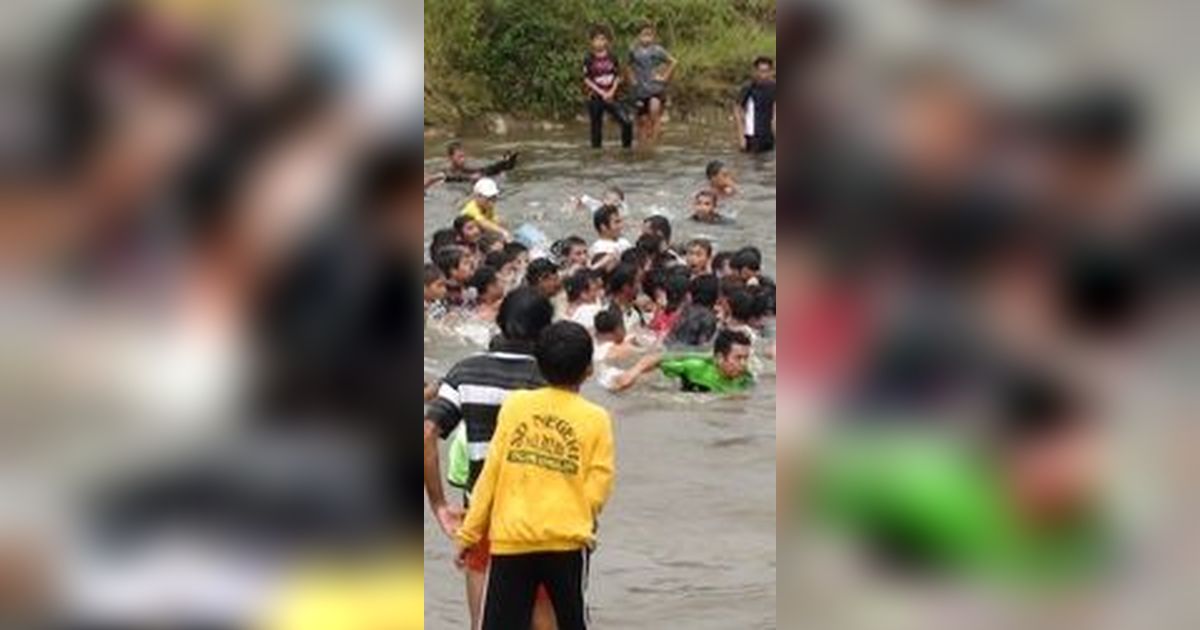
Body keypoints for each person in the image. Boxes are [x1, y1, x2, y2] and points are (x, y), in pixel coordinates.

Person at [456, 321, 614, 630]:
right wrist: (583, 518)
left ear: (539, 366)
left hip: (511, 540)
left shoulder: (516, 405)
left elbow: (491, 475)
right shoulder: (596, 418)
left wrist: (470, 534)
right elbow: (600, 482)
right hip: (567, 542)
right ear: (589, 370)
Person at [424, 288, 557, 629]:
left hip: (480, 512)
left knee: (482, 622)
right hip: (537, 518)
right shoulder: (550, 378)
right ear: (545, 331)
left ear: (500, 322)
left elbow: (426, 434)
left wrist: (439, 504)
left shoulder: (465, 371)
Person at [612, 328, 754, 393]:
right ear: (719, 358)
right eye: (738, 358)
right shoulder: (695, 367)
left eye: (745, 358)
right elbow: (655, 359)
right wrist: (632, 373)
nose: (743, 363)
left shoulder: (746, 377)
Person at [583, 25, 633, 149]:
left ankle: (626, 151)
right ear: (591, 42)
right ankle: (596, 156)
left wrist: (611, 91)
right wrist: (601, 92)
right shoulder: (588, 58)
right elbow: (587, 79)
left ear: (607, 41)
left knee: (627, 122)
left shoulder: (612, 57)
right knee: (596, 130)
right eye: (597, 39)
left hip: (612, 96)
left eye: (602, 39)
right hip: (595, 97)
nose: (600, 42)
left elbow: (617, 76)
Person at [628, 22, 677, 144]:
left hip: (655, 89)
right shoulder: (633, 51)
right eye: (644, 35)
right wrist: (632, 80)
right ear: (638, 36)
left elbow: (673, 62)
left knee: (654, 111)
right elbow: (627, 65)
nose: (646, 38)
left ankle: (653, 144)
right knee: (642, 120)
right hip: (640, 91)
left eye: (649, 35)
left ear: (653, 36)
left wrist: (665, 77)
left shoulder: (657, 50)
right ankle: (643, 144)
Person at [735, 56, 777, 154]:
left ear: (771, 72)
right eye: (761, 71)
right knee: (752, 164)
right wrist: (741, 137)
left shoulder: (774, 87)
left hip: (768, 136)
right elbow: (737, 110)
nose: (763, 75)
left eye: (766, 71)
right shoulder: (749, 87)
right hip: (752, 135)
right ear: (755, 71)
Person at [443, 140, 519, 183]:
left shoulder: (467, 166)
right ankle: (504, 163)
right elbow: (451, 177)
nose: (463, 159)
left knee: (486, 170)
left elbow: (480, 170)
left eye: (464, 156)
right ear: (450, 158)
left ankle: (505, 163)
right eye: (459, 157)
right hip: (463, 180)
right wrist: (470, 177)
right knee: (484, 172)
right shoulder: (448, 172)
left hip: (472, 175)